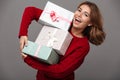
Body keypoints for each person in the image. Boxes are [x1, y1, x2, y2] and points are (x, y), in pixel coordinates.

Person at [19, 1, 106, 80]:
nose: (79, 15)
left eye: (85, 14)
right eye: (79, 10)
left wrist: (30, 61)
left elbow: (59, 72)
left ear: (90, 23)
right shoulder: (63, 22)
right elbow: (31, 10)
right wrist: (23, 34)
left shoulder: (83, 46)